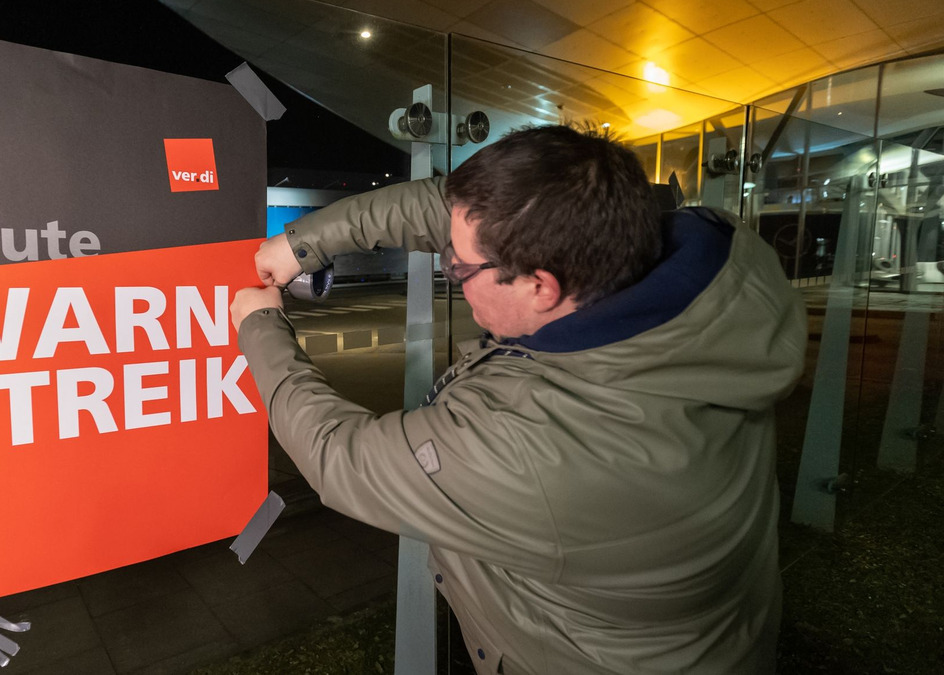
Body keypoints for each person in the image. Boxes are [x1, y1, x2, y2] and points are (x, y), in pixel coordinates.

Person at [229, 125, 807, 675]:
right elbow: (461, 212)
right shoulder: (715, 267)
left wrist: (260, 326)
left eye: (460, 268)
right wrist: (305, 242)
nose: (450, 268)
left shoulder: (536, 447)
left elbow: (341, 458)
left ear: (540, 285)